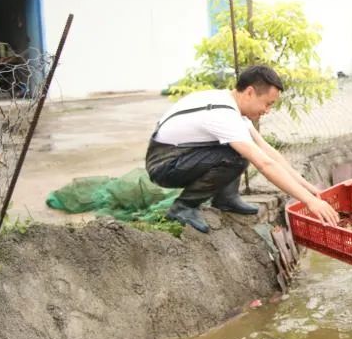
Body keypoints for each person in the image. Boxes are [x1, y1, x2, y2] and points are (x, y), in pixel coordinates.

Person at [145, 64, 339, 233]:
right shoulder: (223, 114)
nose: (267, 110)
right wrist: (310, 203)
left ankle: (226, 199)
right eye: (267, 103)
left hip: (182, 155)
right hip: (165, 163)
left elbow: (269, 153)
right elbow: (263, 163)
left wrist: (312, 191)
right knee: (236, 156)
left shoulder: (231, 105)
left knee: (239, 150)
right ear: (249, 93)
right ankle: (184, 206)